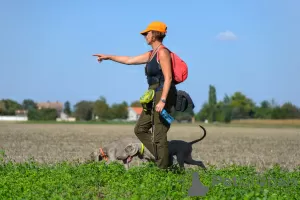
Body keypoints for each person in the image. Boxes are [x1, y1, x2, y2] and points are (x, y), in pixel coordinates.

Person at [93, 21, 177, 169]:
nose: (144, 36)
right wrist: (109, 57)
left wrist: (163, 100)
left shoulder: (163, 52)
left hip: (162, 93)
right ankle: (164, 159)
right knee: (140, 129)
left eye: (147, 33)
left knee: (159, 133)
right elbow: (129, 60)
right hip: (152, 94)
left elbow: (168, 77)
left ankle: (165, 170)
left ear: (155, 34)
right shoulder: (152, 54)